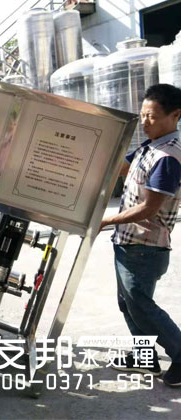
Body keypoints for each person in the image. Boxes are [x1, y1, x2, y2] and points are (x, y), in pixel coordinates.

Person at [100, 84, 181, 387]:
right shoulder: (150, 146)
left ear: (175, 115)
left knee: (142, 305)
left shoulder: (168, 157)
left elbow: (149, 208)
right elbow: (120, 168)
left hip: (145, 246)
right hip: (129, 242)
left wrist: (106, 220)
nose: (144, 122)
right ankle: (144, 357)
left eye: (152, 117)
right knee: (128, 303)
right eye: (142, 115)